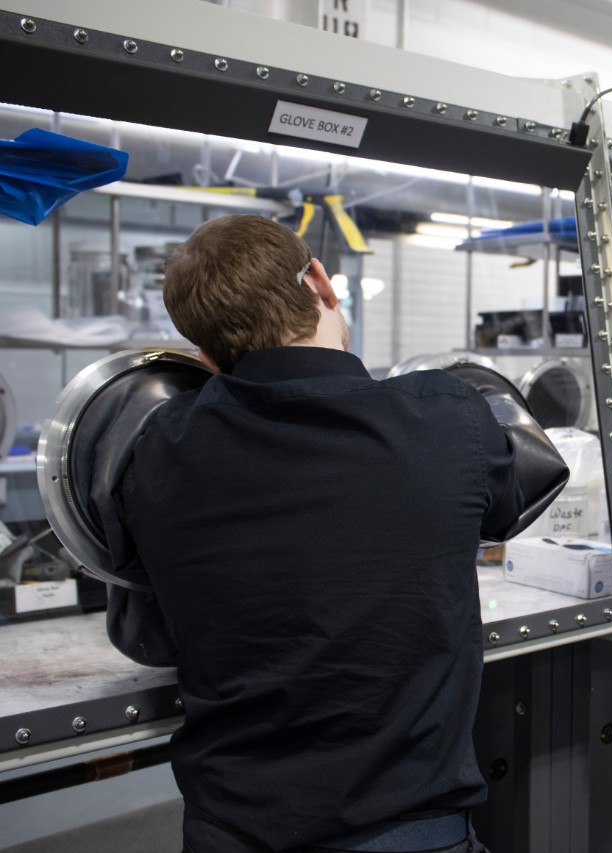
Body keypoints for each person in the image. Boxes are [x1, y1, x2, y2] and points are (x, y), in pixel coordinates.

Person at [96, 215, 528, 853]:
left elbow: (148, 634)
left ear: (204, 355)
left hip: (232, 830)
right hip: (408, 834)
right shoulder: (447, 415)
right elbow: (513, 502)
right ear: (322, 283)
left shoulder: (153, 450)